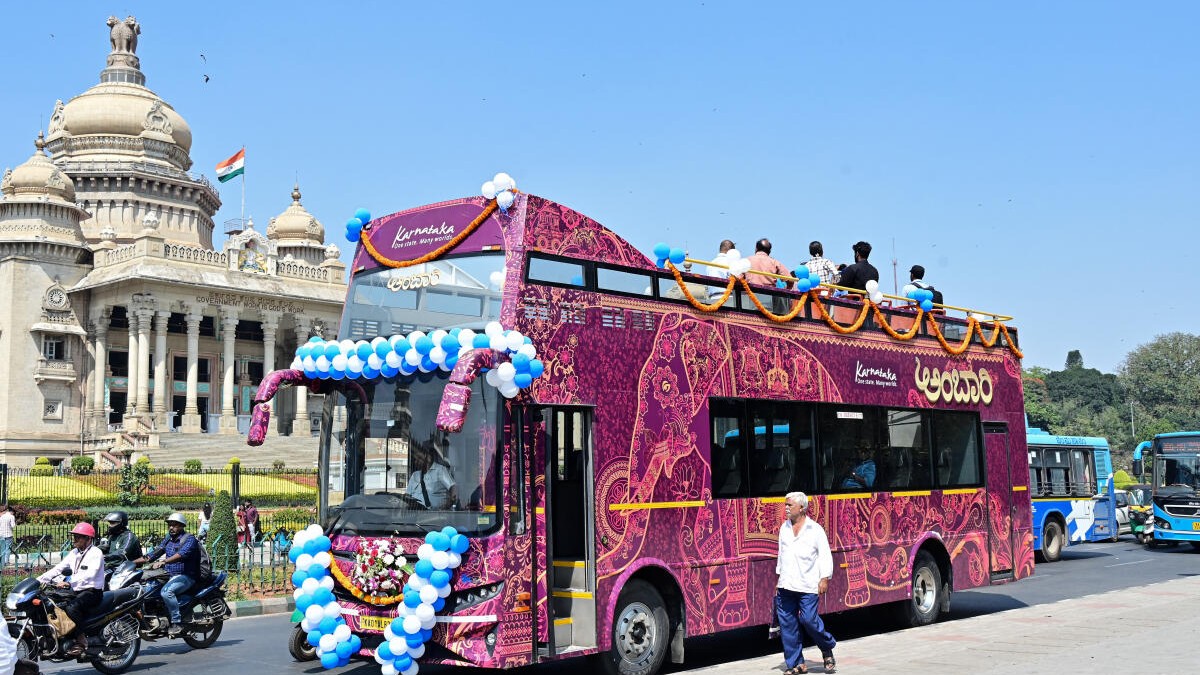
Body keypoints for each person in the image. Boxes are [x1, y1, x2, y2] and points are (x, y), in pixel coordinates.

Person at [775, 492, 837, 674]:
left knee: (809, 620)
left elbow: (825, 555)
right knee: (788, 624)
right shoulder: (784, 529)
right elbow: (781, 556)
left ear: (801, 508)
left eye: (789, 505)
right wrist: (778, 580)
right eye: (785, 505)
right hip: (786, 584)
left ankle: (826, 647)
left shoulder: (815, 529)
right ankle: (796, 663)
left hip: (808, 585)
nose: (786, 508)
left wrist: (824, 578)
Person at [37, 522, 104, 657]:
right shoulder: (74, 553)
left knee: (72, 607)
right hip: (76, 590)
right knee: (51, 603)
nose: (75, 539)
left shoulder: (96, 553)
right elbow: (59, 568)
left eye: (78, 537)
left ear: (88, 539)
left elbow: (89, 574)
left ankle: (81, 639)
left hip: (92, 592)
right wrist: (38, 580)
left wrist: (69, 582)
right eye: (74, 536)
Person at [134, 513, 201, 637]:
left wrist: (163, 561)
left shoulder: (189, 539)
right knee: (146, 587)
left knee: (167, 592)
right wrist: (131, 562)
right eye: (170, 525)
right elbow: (153, 554)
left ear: (181, 526)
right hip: (169, 575)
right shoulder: (168, 539)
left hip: (187, 576)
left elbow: (181, 554)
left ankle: (177, 622)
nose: (171, 527)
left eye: (174, 525)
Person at [407, 442, 458, 509]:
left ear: (428, 456)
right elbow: (408, 495)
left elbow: (453, 488)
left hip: (434, 515)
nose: (416, 461)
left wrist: (447, 506)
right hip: (415, 512)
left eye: (419, 458)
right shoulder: (415, 475)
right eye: (415, 459)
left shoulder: (440, 470)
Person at [0, 504, 14, 570]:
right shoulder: (11, 516)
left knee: (3, 548)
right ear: (11, 511)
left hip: (1, 534)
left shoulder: (1, 517)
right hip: (9, 534)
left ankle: (2, 562)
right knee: (8, 548)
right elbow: (13, 526)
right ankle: (6, 562)